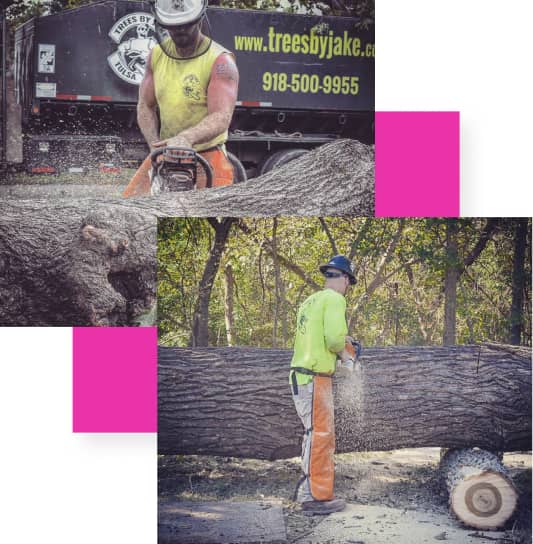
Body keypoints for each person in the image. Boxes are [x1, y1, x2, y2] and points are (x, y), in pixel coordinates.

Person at [123, 0, 238, 196]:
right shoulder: (156, 55)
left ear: (199, 18)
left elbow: (221, 116)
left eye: (186, 25)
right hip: (164, 153)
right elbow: (145, 106)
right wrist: (154, 146)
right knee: (129, 206)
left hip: (207, 153)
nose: (180, 31)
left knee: (212, 213)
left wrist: (186, 138)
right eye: (174, 26)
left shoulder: (220, 60)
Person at [289, 255, 357, 515]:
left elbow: (321, 335)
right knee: (321, 437)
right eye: (348, 281)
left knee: (313, 434)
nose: (347, 287)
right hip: (315, 378)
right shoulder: (335, 299)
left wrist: (343, 338)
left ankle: (307, 490)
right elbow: (332, 340)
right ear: (344, 278)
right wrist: (346, 356)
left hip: (301, 375)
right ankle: (314, 498)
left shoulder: (310, 301)